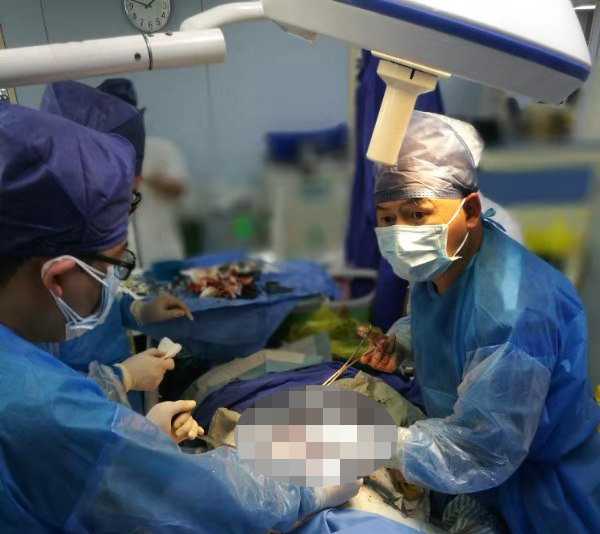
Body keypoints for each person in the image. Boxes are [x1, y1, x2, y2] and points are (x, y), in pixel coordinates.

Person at [0, 103, 360, 532]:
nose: (111, 287)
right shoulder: (43, 408)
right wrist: (306, 488)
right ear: (56, 277)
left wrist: (138, 438)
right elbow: (201, 499)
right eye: (111, 269)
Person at [359, 111, 600, 533]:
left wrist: (365, 441)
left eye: (416, 214)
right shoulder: (443, 262)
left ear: (470, 210)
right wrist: (403, 345)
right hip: (485, 484)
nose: (400, 234)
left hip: (543, 496)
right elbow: (448, 320)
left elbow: (480, 449)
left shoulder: (514, 312)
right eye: (387, 218)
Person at [39, 79, 192, 411]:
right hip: (83, 427)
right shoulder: (37, 271)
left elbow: (106, 300)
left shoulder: (89, 244)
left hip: (121, 414)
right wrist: (121, 378)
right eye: (117, 198)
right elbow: (44, 402)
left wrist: (140, 310)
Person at [136, 135, 189, 266]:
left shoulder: (161, 148)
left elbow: (179, 189)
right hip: (122, 256)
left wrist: (144, 174)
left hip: (161, 251)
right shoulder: (102, 153)